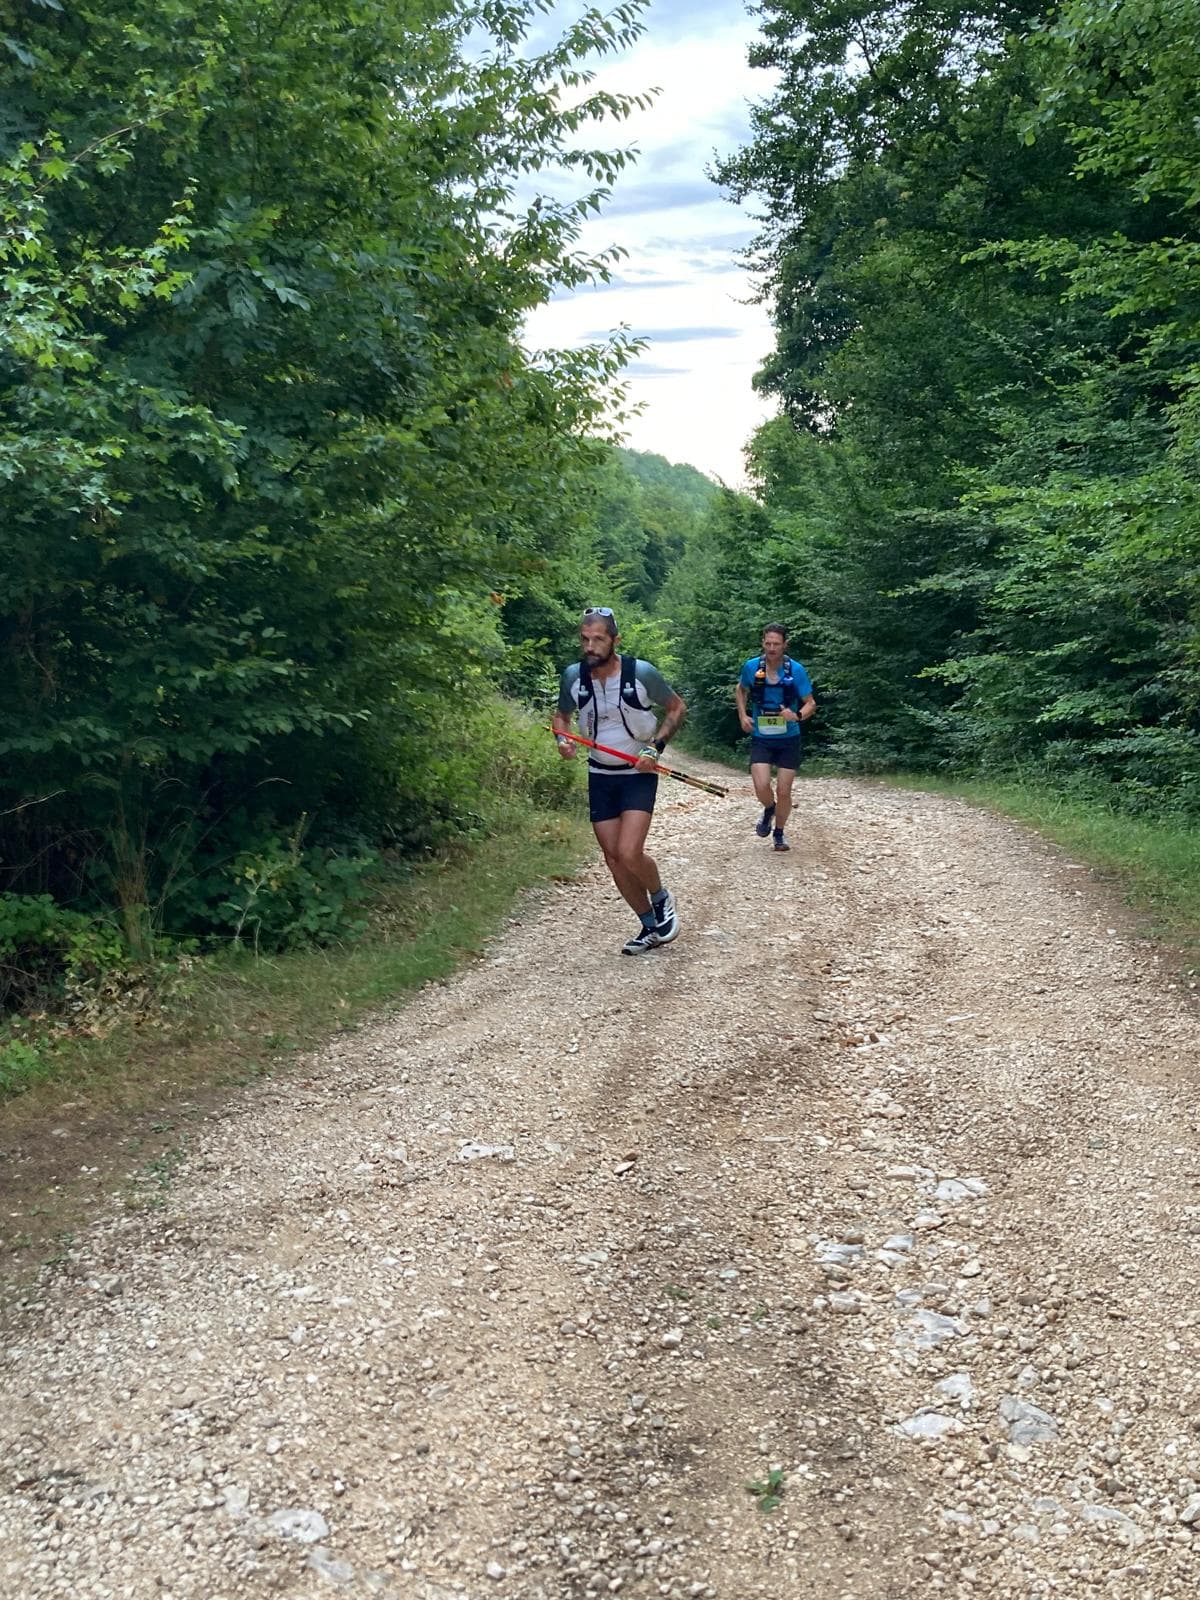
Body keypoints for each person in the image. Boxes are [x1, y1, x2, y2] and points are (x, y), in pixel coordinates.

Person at [553, 607, 688, 954]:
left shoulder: (640, 673)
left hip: (637, 774)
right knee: (613, 858)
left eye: (598, 639)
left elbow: (676, 707)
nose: (590, 646)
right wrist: (562, 740)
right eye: (585, 639)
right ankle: (648, 927)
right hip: (600, 775)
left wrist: (655, 749)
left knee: (629, 852)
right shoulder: (573, 677)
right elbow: (561, 716)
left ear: (615, 640)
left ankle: (661, 898)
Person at [735, 623, 816, 852]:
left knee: (784, 791)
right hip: (762, 735)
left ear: (785, 645)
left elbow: (811, 703)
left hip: (788, 737)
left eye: (776, 644)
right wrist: (743, 715)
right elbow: (741, 689)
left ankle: (779, 833)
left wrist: (797, 715)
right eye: (768, 643)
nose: (771, 648)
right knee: (761, 785)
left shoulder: (796, 670)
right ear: (763, 643)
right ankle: (769, 808)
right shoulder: (751, 667)